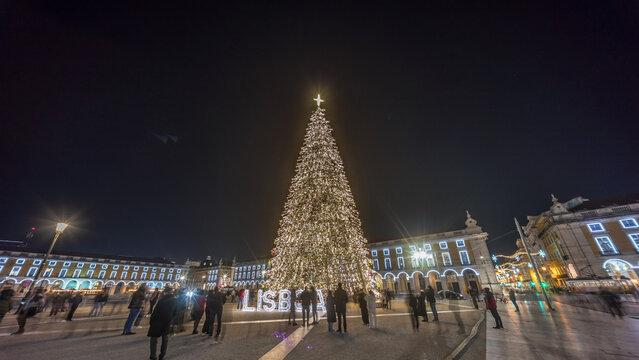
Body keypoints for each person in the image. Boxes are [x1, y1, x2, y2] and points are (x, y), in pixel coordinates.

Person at [148, 287, 177, 360]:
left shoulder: (161, 300)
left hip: (158, 321)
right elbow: (175, 312)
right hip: (167, 321)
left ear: (165, 292)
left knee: (154, 339)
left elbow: (155, 311)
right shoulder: (175, 300)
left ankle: (153, 355)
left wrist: (151, 321)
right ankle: (162, 354)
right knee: (165, 339)